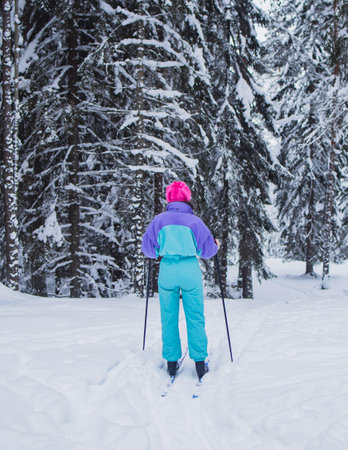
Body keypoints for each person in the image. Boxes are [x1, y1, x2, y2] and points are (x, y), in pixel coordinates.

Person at [141, 181, 219, 379]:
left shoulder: (159, 221)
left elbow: (148, 250)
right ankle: (200, 363)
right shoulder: (195, 222)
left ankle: (172, 363)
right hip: (189, 269)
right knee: (195, 315)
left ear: (169, 198)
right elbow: (208, 251)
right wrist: (216, 245)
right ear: (187, 198)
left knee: (169, 316)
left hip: (167, 268)